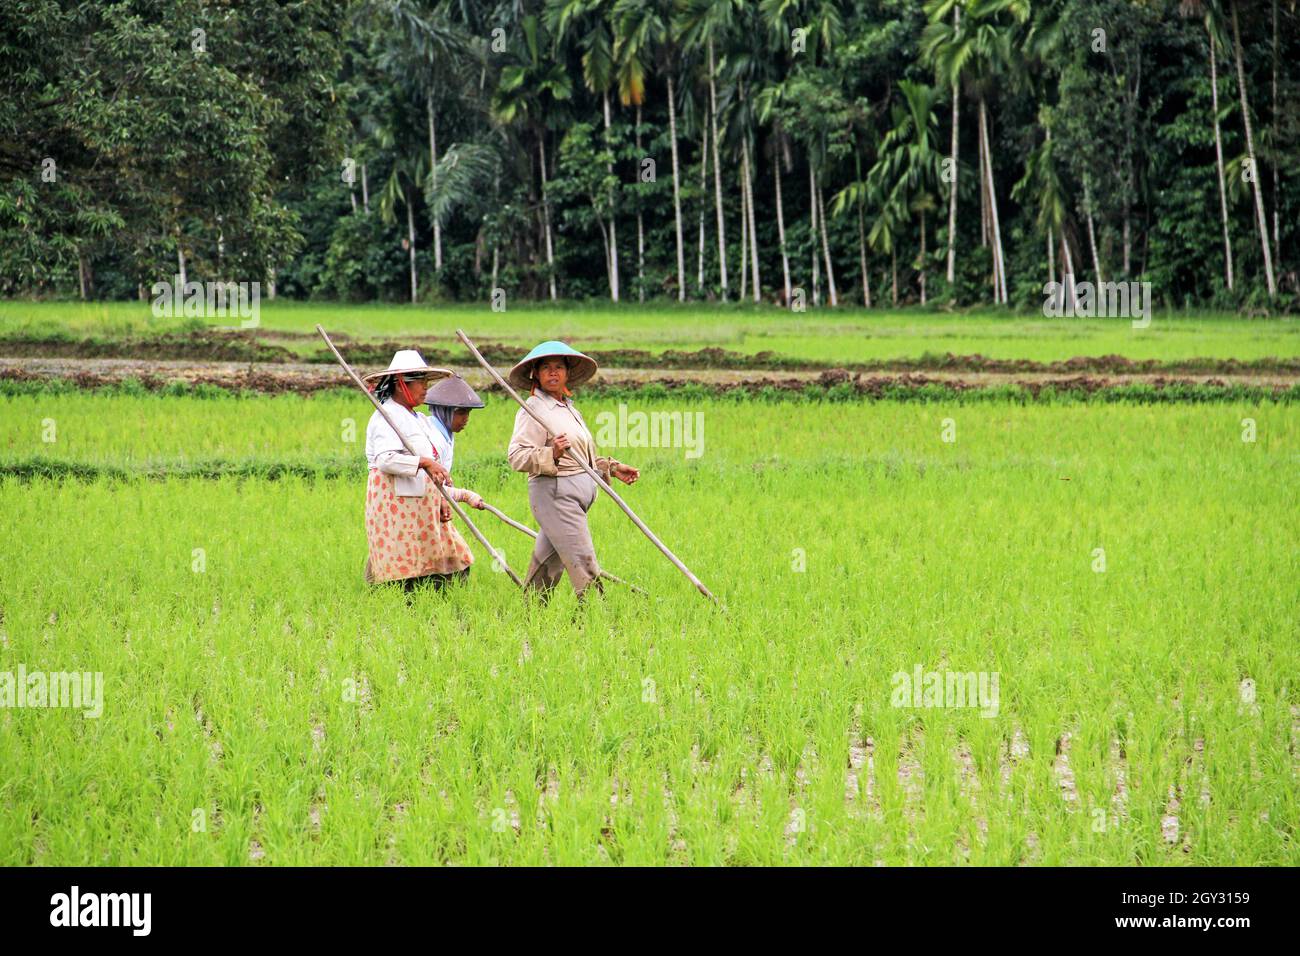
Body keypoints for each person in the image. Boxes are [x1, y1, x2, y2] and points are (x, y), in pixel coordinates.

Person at [506, 341, 639, 599]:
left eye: (558, 367)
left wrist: (611, 466)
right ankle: (594, 618)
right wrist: (551, 453)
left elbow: (580, 459)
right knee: (583, 559)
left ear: (568, 373)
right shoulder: (534, 408)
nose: (553, 373)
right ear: (536, 374)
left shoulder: (569, 408)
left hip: (576, 496)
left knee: (547, 564)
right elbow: (516, 456)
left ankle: (530, 617)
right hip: (556, 496)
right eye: (546, 368)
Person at [362, 350, 474, 591]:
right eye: (420, 383)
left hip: (421, 502)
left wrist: (441, 496)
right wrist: (424, 462)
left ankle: (441, 604)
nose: (425, 388)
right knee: (401, 564)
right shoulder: (386, 416)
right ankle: (397, 607)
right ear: (402, 385)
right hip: (395, 504)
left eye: (426, 382)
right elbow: (386, 460)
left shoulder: (417, 419)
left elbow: (431, 458)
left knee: (451, 557)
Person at [424, 374, 489, 511]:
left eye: (468, 413)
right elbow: (427, 484)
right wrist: (464, 495)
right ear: (444, 411)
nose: (466, 419)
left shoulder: (445, 434)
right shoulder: (431, 438)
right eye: (461, 413)